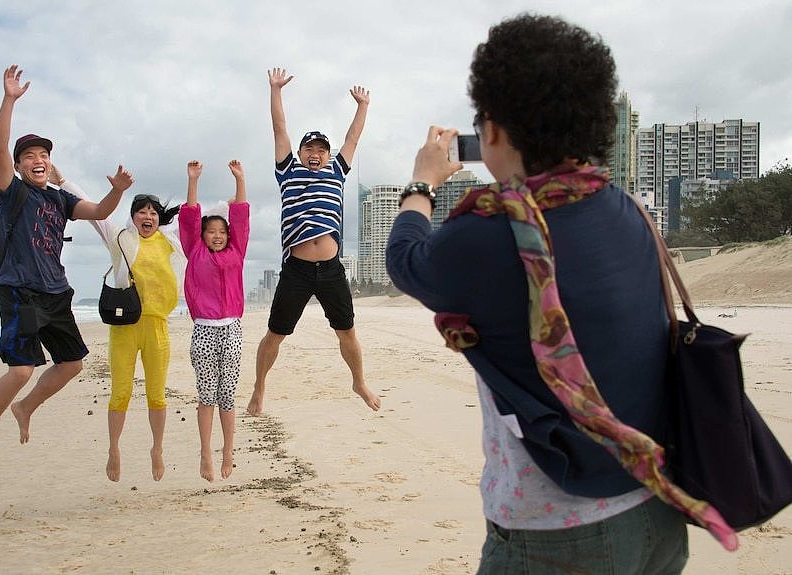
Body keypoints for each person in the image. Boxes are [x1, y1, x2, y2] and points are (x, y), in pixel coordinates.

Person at [385, 15, 735, 573]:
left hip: (556, 531)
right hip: (659, 502)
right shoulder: (627, 209)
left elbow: (404, 260)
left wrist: (422, 182)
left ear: (493, 131)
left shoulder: (487, 235)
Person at [0, 64, 134, 464]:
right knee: (22, 370)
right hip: (22, 292)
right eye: (29, 156)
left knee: (73, 364)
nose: (38, 160)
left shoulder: (60, 199)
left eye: (44, 154)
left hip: (56, 293)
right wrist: (9, 99)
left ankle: (25, 409)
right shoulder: (13, 193)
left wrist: (116, 192)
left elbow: (98, 210)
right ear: (20, 166)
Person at [246, 68, 380, 416]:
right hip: (297, 270)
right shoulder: (287, 170)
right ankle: (260, 387)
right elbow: (279, 129)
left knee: (347, 332)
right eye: (310, 148)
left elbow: (352, 139)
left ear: (328, 154)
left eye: (322, 148)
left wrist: (362, 106)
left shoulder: (337, 171)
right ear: (302, 152)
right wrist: (275, 90)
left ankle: (359, 381)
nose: (315, 153)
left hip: (331, 270)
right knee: (275, 334)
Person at [60, 172, 185, 482]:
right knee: (121, 394)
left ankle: (157, 448)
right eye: (141, 211)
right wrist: (61, 180)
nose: (148, 216)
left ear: (159, 219)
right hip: (125, 328)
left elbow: (199, 218)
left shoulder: (171, 242)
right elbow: (92, 212)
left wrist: (234, 197)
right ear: (132, 217)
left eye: (153, 212)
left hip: (157, 327)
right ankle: (114, 449)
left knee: (157, 395)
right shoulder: (121, 238)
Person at [179, 159, 250, 481]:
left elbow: (242, 217)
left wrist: (240, 179)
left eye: (222, 231)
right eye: (212, 232)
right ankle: (206, 454)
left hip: (232, 330)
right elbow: (190, 220)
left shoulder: (237, 251)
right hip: (204, 333)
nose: (218, 235)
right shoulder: (195, 250)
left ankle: (229, 452)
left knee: (227, 395)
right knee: (206, 394)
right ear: (204, 236)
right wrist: (193, 180)